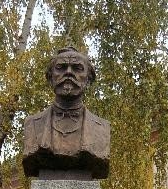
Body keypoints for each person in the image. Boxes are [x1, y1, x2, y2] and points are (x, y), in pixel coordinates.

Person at [23, 47, 110, 179]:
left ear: (88, 79)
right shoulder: (32, 125)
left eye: (77, 68)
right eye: (61, 67)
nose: (68, 73)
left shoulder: (101, 128)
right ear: (50, 77)